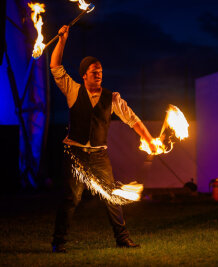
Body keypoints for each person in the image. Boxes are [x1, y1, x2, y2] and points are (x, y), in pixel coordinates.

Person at [50, 25, 157, 252]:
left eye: (100, 71)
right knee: (71, 199)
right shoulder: (72, 89)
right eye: (93, 71)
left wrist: (149, 140)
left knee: (112, 197)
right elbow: (55, 67)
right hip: (74, 154)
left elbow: (133, 120)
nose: (98, 74)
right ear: (84, 75)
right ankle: (59, 242)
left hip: (99, 155)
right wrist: (62, 40)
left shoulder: (112, 98)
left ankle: (122, 239)